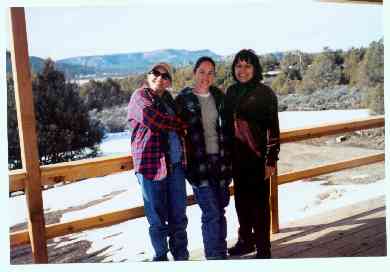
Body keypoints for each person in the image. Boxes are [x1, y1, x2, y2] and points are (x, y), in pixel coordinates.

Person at [127, 62, 189, 261]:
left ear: (169, 81)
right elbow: (152, 119)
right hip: (151, 167)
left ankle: (181, 257)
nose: (159, 78)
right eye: (156, 73)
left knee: (178, 217)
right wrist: (179, 123)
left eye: (165, 76)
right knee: (157, 220)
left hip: (175, 165)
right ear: (148, 75)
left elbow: (183, 121)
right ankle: (161, 259)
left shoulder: (169, 100)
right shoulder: (140, 97)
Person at [224, 49, 280, 259]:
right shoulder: (231, 92)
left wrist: (271, 159)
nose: (242, 70)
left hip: (258, 160)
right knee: (241, 204)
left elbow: (273, 129)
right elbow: (226, 126)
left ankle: (264, 249)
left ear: (255, 68)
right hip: (237, 159)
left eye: (247, 66)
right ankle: (246, 241)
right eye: (239, 66)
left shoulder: (265, 93)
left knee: (260, 207)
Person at [175, 57, 232, 260]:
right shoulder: (183, 100)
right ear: (194, 73)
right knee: (211, 213)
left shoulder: (219, 96)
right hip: (198, 164)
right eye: (202, 72)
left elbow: (228, 128)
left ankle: (221, 253)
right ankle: (214, 258)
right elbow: (173, 130)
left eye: (210, 72)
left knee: (221, 210)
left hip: (222, 161)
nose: (205, 77)